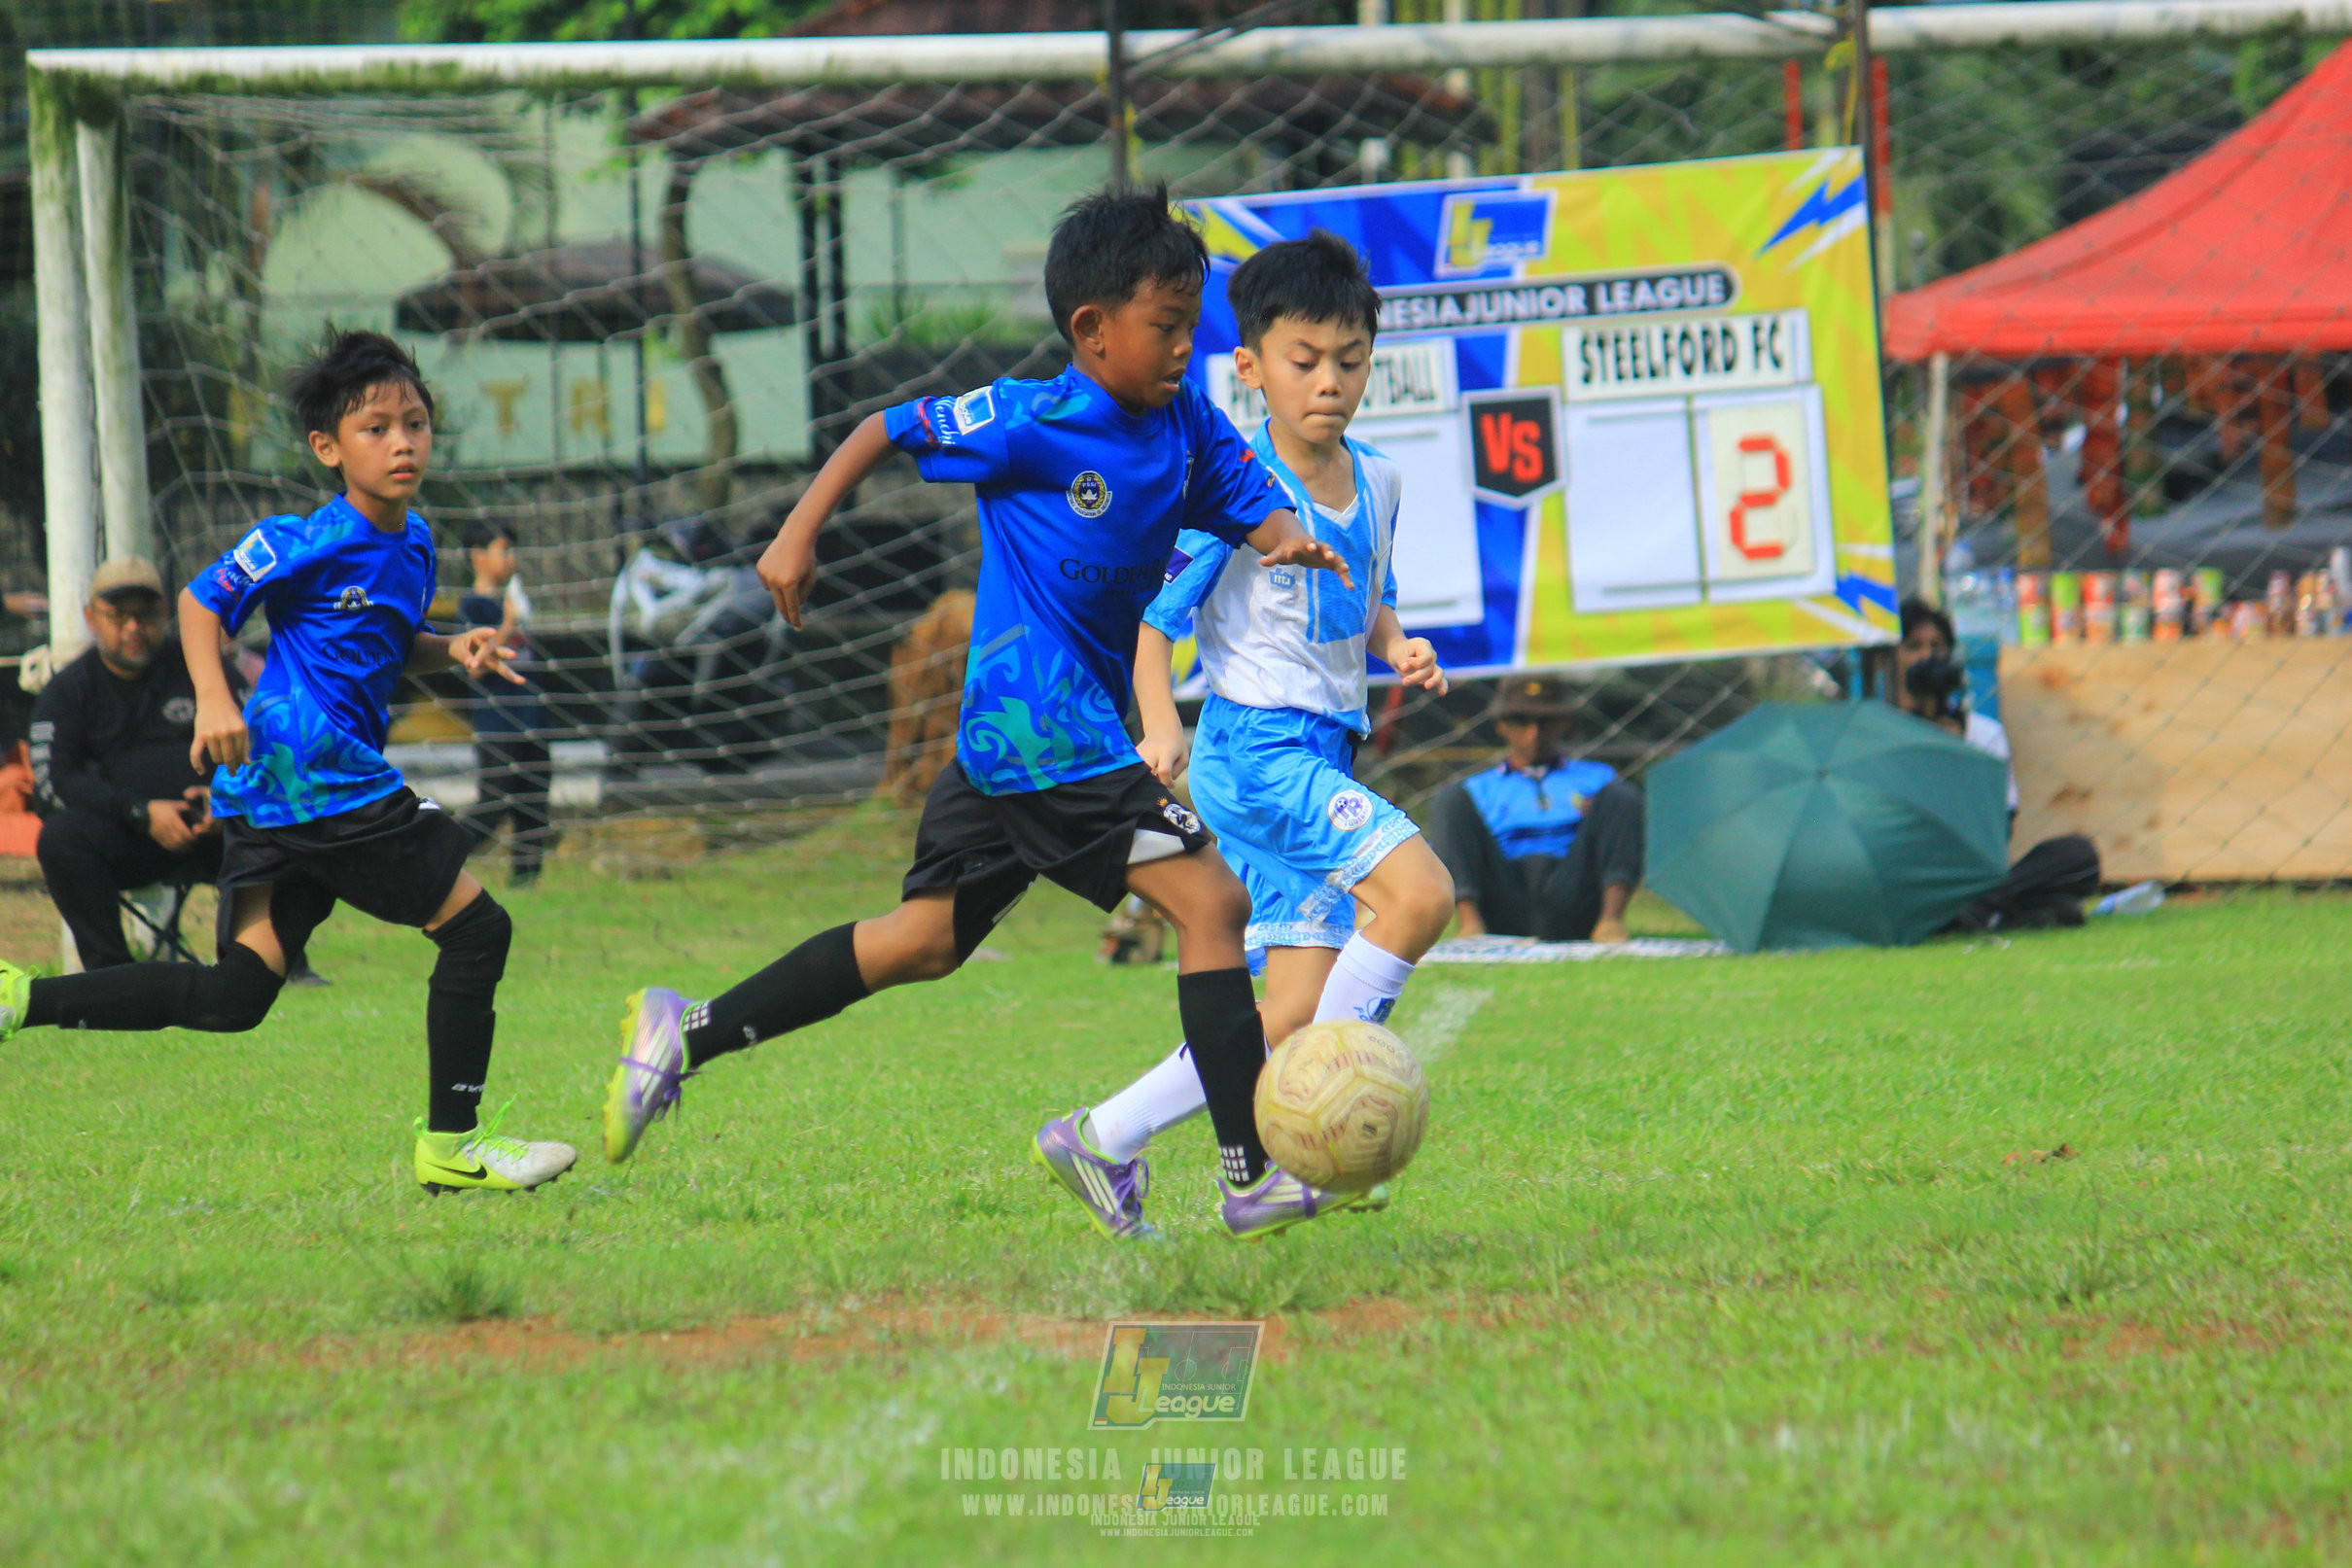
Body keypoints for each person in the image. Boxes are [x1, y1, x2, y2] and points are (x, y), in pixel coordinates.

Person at [602, 187, 1363, 1239]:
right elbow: (882, 426)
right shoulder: (1031, 420)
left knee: (922, 941)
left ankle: (680, 1033)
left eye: (1193, 325)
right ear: (1091, 331)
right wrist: (794, 533)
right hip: (1043, 729)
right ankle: (1248, 1175)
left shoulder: (1183, 419)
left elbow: (1245, 490)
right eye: (1166, 326)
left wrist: (1283, 534)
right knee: (1214, 906)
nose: (1187, 346)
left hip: (1021, 743)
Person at [0, 331, 576, 1195]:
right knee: (477, 927)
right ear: (327, 448)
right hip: (317, 778)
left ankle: (20, 1001)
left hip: (283, 796)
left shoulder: (416, 543)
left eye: (414, 423)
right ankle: (452, 1145)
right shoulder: (301, 537)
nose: (402, 442)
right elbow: (199, 603)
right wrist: (218, 698)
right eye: (376, 427)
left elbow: (383, 643)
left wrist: (451, 647)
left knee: (236, 997)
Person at [1035, 230, 1457, 1240]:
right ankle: (1337, 1113)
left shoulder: (1382, 481)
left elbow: (1375, 599)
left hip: (1323, 751)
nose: (1328, 382)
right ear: (1250, 366)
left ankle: (1100, 1133)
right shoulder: (1234, 486)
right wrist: (1157, 727)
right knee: (1420, 893)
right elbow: (1154, 620)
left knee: (1290, 1012)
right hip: (1254, 753)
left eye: (1348, 362)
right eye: (1302, 361)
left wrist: (1400, 644)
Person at [29, 557, 232, 967]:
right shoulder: (68, 691)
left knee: (280, 817)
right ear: (90, 618)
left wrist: (230, 798)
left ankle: (271, 963)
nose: (133, 627)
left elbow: (263, 743)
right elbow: (54, 783)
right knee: (61, 837)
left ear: (164, 614)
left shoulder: (204, 669)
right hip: (132, 837)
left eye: (145, 615)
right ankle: (110, 973)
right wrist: (138, 813)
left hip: (222, 829)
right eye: (118, 615)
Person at [1890, 596, 2099, 929]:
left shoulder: (1981, 734)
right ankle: (2000, 912)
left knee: (2077, 856)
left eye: (1937, 646)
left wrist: (1958, 757)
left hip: (1973, 872)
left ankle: (1976, 911)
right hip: (1911, 874)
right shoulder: (1882, 731)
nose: (1927, 657)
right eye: (1913, 646)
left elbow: (2001, 826)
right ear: (1891, 659)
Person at [1425, 676, 1645, 944]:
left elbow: (1614, 832)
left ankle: (1610, 920)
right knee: (1448, 801)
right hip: (1505, 893)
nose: (1534, 734)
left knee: (1623, 796)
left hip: (1574, 892)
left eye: (1546, 722)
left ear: (1564, 723)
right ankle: (1471, 922)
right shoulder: (1478, 789)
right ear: (1501, 725)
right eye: (1521, 722)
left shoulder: (1597, 779)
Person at [454, 521, 554, 887]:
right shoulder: (474, 606)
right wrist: (508, 622)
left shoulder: (513, 600)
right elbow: (476, 669)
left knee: (534, 806)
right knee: (494, 805)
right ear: (478, 556)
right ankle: (442, 858)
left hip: (533, 718)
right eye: (503, 550)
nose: (511, 558)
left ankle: (526, 881)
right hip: (498, 723)